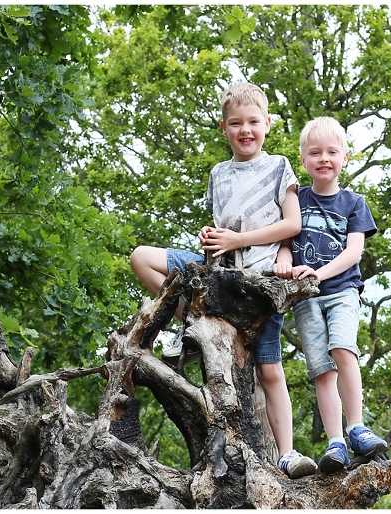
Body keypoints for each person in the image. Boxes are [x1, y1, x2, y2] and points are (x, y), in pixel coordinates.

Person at [130, 82, 317, 479]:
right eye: (236, 124)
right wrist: (212, 240)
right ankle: (192, 325)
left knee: (270, 370)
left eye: (253, 122)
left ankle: (286, 453)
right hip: (219, 270)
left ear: (267, 123)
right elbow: (222, 228)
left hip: (259, 283)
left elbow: (292, 224)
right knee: (142, 258)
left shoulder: (279, 166)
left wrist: (240, 239)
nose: (245, 130)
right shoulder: (219, 173)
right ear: (224, 128)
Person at [274, 116, 388, 474]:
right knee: (322, 370)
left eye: (332, 152)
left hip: (341, 291)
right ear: (303, 159)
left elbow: (353, 253)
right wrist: (283, 262)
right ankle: (335, 441)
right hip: (306, 299)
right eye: (315, 152)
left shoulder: (354, 203)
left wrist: (316, 274)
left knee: (342, 349)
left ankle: (356, 427)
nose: (324, 158)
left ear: (345, 157)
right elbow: (286, 243)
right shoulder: (296, 199)